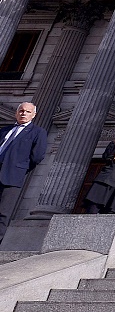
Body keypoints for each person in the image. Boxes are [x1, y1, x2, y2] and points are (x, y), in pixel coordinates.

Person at [0, 102, 46, 242]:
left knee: (3, 212)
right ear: (16, 113)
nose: (23, 113)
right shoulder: (4, 130)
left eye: (27, 111)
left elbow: (37, 156)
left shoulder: (38, 132)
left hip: (12, 176)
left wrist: (20, 169)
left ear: (34, 115)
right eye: (21, 111)